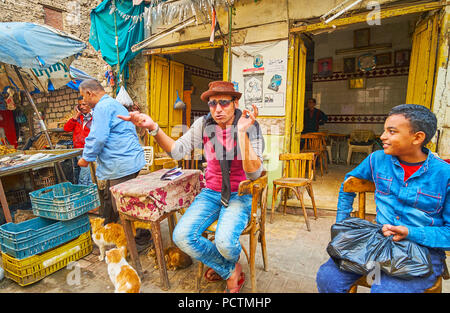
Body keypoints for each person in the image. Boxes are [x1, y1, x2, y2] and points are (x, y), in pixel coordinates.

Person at [119, 81, 265, 293]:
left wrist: (241, 133)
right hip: (211, 192)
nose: (218, 109)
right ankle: (230, 269)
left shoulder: (250, 125)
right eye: (212, 103)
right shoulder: (204, 125)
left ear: (235, 102)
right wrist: (153, 127)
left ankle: (222, 261)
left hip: (239, 194)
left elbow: (254, 173)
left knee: (225, 242)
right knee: (182, 236)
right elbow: (177, 151)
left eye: (224, 103)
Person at [316, 104, 450, 293]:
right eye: (384, 130)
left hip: (420, 252)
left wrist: (411, 232)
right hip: (378, 244)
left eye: (391, 131)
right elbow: (348, 184)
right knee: (328, 279)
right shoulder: (377, 159)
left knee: (384, 289)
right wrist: (342, 224)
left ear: (417, 137)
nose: (382, 136)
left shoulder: (445, 174)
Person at [77, 79, 152, 251]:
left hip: (122, 163)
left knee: (125, 206)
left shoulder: (102, 107)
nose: (84, 101)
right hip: (127, 160)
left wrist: (86, 158)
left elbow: (99, 137)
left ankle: (142, 240)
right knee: (117, 201)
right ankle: (118, 234)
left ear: (90, 93)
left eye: (83, 97)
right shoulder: (113, 104)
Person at [63, 97, 93, 185]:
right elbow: (66, 128)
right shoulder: (78, 118)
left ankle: (88, 190)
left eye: (84, 104)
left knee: (90, 174)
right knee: (85, 171)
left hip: (91, 149)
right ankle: (84, 189)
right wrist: (76, 116)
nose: (82, 107)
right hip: (79, 149)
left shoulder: (95, 117)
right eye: (80, 105)